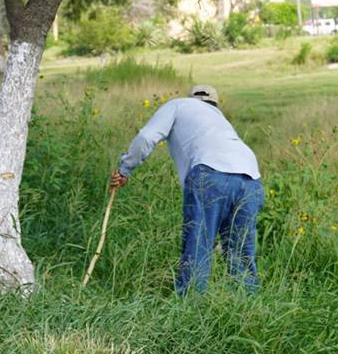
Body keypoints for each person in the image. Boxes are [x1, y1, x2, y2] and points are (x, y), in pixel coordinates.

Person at [111, 85, 264, 295]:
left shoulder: (178, 105)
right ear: (215, 104)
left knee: (198, 245)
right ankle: (248, 313)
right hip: (251, 179)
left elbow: (147, 137)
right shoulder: (221, 120)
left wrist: (124, 169)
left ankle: (190, 310)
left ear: (191, 98)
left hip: (210, 173)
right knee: (241, 255)